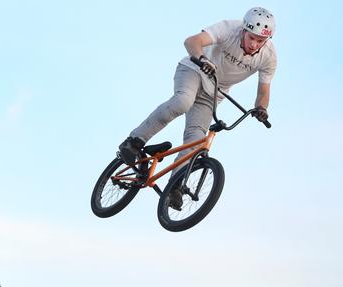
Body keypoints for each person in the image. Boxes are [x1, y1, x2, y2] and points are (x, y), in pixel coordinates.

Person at [118, 7, 277, 210]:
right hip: (194, 70)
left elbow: (263, 90)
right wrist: (202, 58)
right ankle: (134, 141)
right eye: (251, 38)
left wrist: (262, 108)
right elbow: (192, 41)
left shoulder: (269, 57)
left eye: (260, 41)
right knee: (183, 102)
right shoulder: (229, 28)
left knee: (197, 141)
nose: (254, 45)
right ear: (244, 30)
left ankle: (174, 186)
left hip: (213, 92)